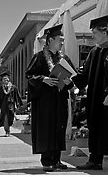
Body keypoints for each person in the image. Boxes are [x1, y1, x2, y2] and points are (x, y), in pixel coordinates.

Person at [72, 15, 108, 171]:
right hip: (95, 97)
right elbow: (84, 74)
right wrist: (72, 79)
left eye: (94, 32)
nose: (92, 36)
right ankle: (95, 160)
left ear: (104, 32)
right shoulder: (94, 51)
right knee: (95, 126)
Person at [26, 24, 75, 172]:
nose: (62, 42)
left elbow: (72, 79)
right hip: (45, 102)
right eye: (60, 39)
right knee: (47, 129)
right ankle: (47, 161)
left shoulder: (64, 59)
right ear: (50, 40)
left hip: (60, 100)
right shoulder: (39, 57)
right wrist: (43, 79)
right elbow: (29, 75)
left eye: (63, 40)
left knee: (59, 128)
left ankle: (57, 160)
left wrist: (69, 82)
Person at [0, 71, 23, 137]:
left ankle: (8, 128)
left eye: (7, 79)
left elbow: (17, 96)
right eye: (4, 79)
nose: (6, 80)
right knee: (5, 118)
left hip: (11, 105)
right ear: (2, 80)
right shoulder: (1, 89)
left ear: (9, 79)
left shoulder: (13, 88)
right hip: (4, 106)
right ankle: (7, 131)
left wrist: (18, 104)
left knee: (11, 118)